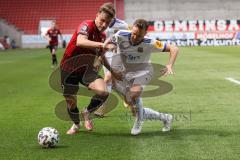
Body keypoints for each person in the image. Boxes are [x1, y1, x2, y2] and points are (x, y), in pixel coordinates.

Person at [106, 19, 179, 135]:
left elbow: (174, 49)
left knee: (134, 94)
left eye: (139, 36)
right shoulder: (121, 34)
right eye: (133, 33)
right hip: (126, 72)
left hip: (143, 72)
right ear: (131, 29)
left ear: (145, 34)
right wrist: (108, 46)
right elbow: (109, 41)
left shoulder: (150, 42)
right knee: (131, 103)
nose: (134, 37)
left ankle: (139, 121)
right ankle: (165, 118)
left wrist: (169, 65)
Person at [60, 2, 120, 135]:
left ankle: (87, 112)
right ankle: (76, 124)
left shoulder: (102, 36)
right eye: (102, 20)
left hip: (86, 70)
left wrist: (112, 70)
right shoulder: (86, 25)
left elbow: (101, 57)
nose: (104, 25)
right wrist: (102, 44)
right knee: (71, 103)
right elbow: (80, 41)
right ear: (97, 15)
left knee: (103, 92)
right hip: (68, 69)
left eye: (107, 22)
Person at [94, 17, 129, 117]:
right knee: (113, 83)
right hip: (105, 55)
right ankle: (126, 97)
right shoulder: (99, 23)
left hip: (118, 54)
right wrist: (99, 58)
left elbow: (129, 38)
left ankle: (101, 107)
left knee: (108, 78)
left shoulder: (123, 25)